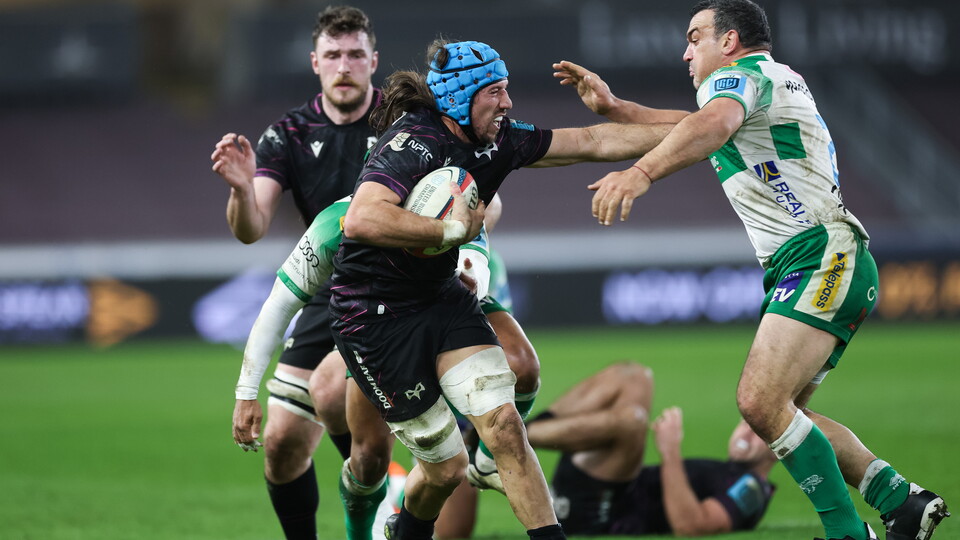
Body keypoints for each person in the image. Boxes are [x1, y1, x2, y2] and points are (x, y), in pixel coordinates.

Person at [553, 1, 950, 539]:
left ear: (730, 41)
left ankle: (847, 534)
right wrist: (617, 108)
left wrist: (640, 174)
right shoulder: (762, 84)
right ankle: (900, 501)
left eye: (695, 36)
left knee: (759, 402)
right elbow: (694, 126)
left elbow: (710, 125)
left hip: (820, 255)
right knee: (779, 415)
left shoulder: (741, 79)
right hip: (824, 257)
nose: (686, 51)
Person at [330, 39, 676, 540]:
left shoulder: (500, 141)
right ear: (458, 98)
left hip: (440, 297)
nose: (507, 103)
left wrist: (710, 127)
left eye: (506, 90)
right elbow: (362, 218)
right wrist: (449, 230)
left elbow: (595, 140)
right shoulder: (412, 141)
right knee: (445, 472)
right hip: (374, 319)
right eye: (494, 92)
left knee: (507, 427)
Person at [210, 6, 381, 539]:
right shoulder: (287, 134)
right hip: (328, 292)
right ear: (315, 62)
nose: (344, 66)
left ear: (374, 61)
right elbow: (250, 228)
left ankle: (386, 496)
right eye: (333, 55)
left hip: (396, 292)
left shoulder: (403, 121)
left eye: (355, 54)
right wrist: (242, 190)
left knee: (351, 415)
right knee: (282, 442)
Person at [440, 363, 778, 538]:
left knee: (633, 422)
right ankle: (505, 435)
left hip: (602, 513)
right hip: (605, 483)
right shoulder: (731, 473)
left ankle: (500, 438)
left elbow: (692, 527)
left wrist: (670, 452)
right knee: (634, 376)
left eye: (758, 430)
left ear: (778, 447)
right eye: (745, 423)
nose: (746, 431)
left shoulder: (751, 487)